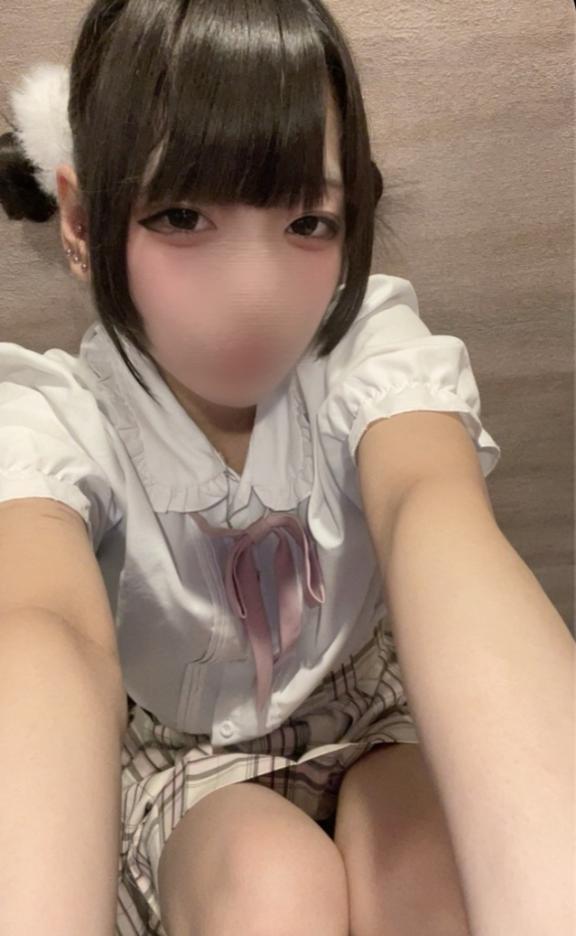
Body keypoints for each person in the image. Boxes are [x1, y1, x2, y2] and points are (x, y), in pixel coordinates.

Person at [0, 3, 572, 936]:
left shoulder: (366, 352)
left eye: (308, 222)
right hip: (186, 763)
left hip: (371, 717)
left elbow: (434, 514)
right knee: (272, 886)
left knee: (437, 878)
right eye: (182, 216)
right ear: (81, 219)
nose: (255, 293)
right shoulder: (53, 420)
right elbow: (40, 628)